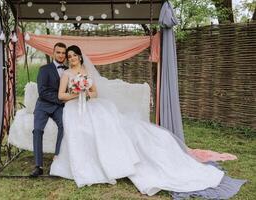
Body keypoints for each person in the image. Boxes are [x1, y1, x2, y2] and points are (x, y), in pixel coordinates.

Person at [50, 45, 245, 198]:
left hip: (92, 104)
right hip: (74, 107)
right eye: (69, 57)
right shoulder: (67, 74)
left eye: (75, 55)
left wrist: (86, 90)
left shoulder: (86, 71)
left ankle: (117, 160)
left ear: (80, 57)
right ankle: (91, 166)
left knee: (108, 121)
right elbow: (61, 95)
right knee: (82, 128)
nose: (72, 59)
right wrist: (77, 93)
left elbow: (95, 94)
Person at [30, 42, 68, 177]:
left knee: (64, 126)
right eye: (58, 52)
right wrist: (62, 98)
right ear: (53, 53)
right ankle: (38, 166)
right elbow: (42, 92)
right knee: (38, 130)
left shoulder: (69, 70)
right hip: (43, 105)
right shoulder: (44, 69)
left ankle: (57, 159)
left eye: (63, 53)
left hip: (59, 107)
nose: (61, 55)